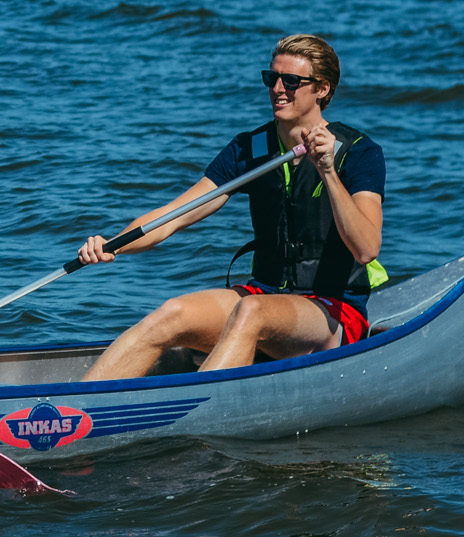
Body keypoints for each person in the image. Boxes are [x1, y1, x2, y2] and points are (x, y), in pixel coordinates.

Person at [78, 34, 387, 381]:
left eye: (292, 81)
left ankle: (190, 415)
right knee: (171, 313)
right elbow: (172, 216)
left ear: (323, 89)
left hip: (332, 312)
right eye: (271, 78)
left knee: (251, 312)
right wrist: (111, 246)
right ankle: (76, 412)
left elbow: (366, 248)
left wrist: (327, 170)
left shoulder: (359, 153)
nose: (278, 89)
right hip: (264, 294)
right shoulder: (249, 149)